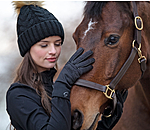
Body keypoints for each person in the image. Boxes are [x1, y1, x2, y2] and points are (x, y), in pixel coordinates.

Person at [6, 1, 128, 130]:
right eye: (44, 45)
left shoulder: (66, 84)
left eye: (57, 44)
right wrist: (62, 83)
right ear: (28, 49)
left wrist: (106, 123)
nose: (53, 51)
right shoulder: (18, 95)